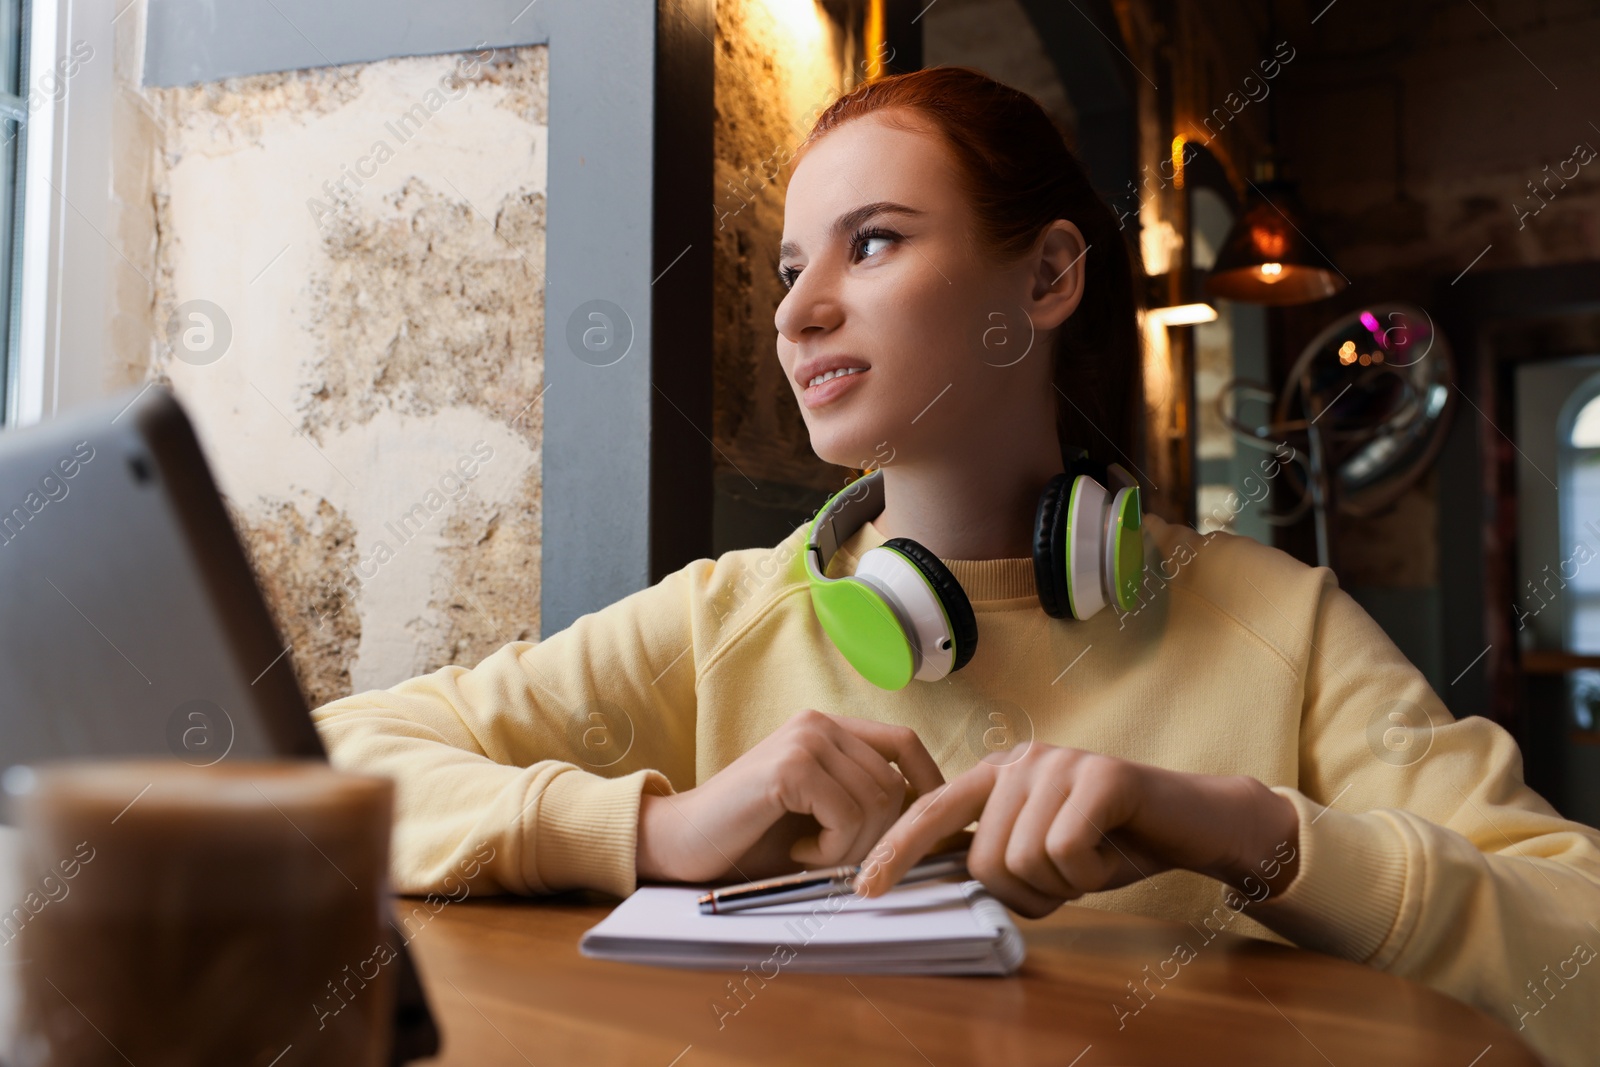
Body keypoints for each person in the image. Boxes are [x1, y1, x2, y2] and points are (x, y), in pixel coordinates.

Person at [311, 66, 1600, 1064]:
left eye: (872, 242)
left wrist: (1251, 835)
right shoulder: (724, 618)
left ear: (1043, 276)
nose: (798, 309)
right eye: (790, 265)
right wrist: (659, 829)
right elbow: (315, 765)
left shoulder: (1282, 624)